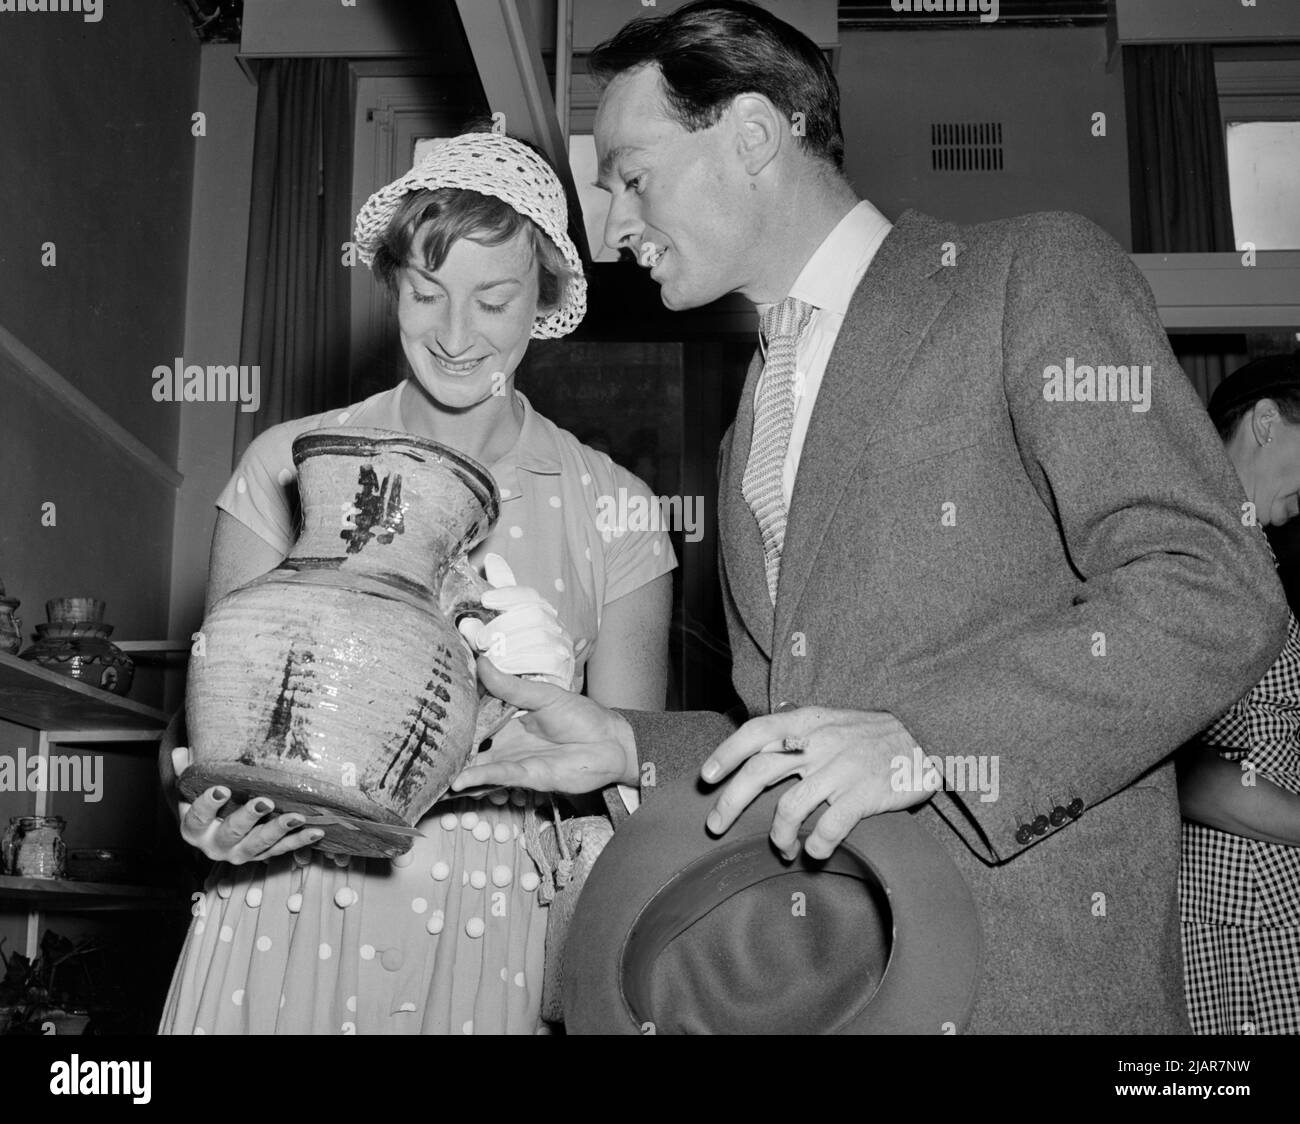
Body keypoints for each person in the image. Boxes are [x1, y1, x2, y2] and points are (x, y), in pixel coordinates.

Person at [452, 1, 1288, 1033]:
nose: (613, 224)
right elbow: (806, 724)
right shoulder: (746, 420)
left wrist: (931, 741)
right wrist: (628, 745)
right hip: (841, 991)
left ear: (753, 133)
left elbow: (1211, 583)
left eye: (630, 174)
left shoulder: (1028, 276)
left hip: (1029, 993)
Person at [158, 132, 675, 1035]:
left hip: (495, 933)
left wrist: (542, 706)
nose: (454, 334)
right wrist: (199, 813)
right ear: (393, 282)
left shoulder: (616, 508)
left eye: (494, 298)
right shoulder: (288, 464)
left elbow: (632, 786)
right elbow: (203, 725)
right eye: (426, 292)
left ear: (546, 298)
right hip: (287, 897)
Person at [1178, 353, 1300, 1035]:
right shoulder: (1203, 556)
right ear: (1265, 422)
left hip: (1267, 890)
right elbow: (1181, 774)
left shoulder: (1250, 551)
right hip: (1242, 902)